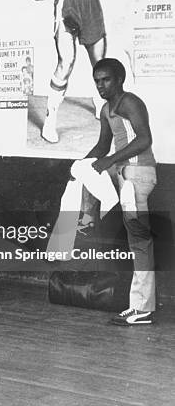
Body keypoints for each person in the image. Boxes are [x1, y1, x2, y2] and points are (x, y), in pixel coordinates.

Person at [31, 0, 124, 143]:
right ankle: (50, 120)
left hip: (91, 1)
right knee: (66, 62)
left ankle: (100, 104)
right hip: (67, 4)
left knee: (100, 63)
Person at [79, 58, 157, 325]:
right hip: (125, 177)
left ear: (120, 79)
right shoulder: (106, 109)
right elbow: (102, 147)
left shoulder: (129, 102)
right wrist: (80, 165)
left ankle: (142, 308)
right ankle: (139, 305)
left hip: (138, 175)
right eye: (97, 81)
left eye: (106, 79)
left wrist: (110, 161)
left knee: (140, 242)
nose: (101, 85)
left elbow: (145, 139)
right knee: (137, 241)